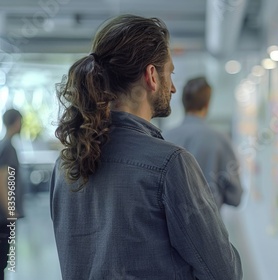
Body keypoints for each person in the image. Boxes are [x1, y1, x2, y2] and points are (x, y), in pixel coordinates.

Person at [50, 15, 242, 280]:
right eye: (170, 73)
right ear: (152, 76)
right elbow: (224, 272)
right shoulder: (170, 163)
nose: (174, 88)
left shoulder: (64, 165)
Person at [164, 77, 243, 209]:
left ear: (184, 103)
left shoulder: (164, 137)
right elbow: (235, 197)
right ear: (207, 105)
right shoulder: (220, 140)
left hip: (170, 227)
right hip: (209, 225)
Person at [0, 109, 22, 279]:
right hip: (4, 216)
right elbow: (2, 180)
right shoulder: (7, 147)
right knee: (2, 260)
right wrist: (9, 211)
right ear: (16, 122)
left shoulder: (5, 145)